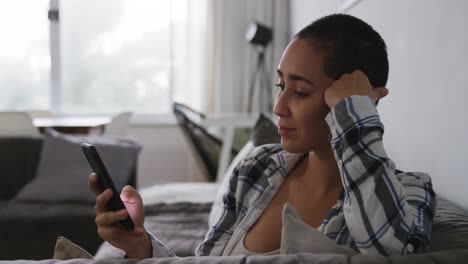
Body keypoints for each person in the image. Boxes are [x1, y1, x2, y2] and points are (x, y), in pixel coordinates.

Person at [88, 13, 436, 258]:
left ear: (359, 102)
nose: (279, 106)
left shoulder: (410, 193)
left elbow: (389, 250)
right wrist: (139, 245)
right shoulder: (257, 167)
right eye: (280, 85)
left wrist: (356, 115)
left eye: (300, 92)